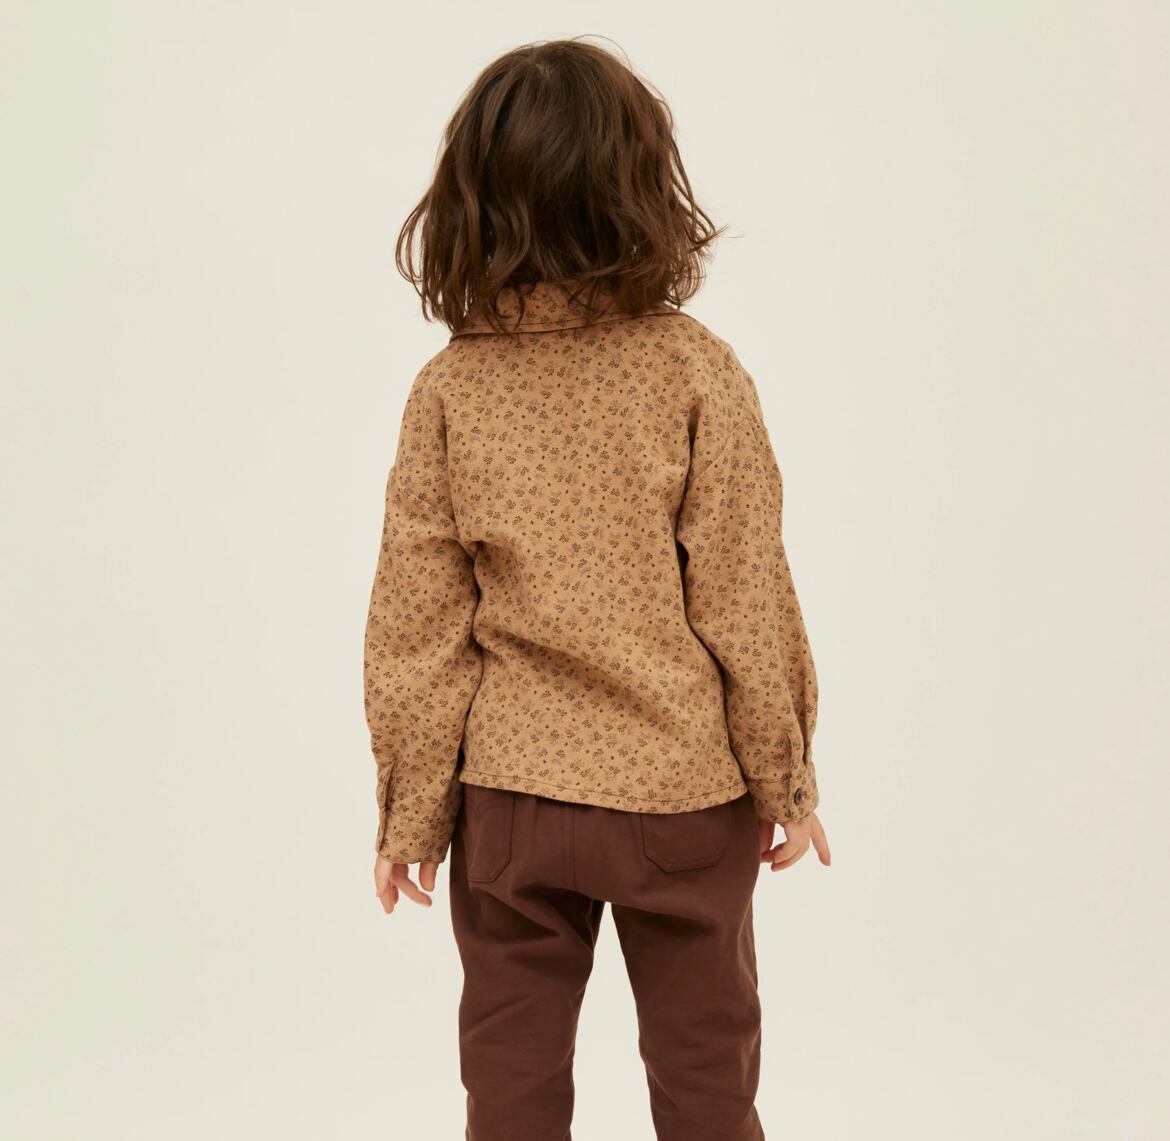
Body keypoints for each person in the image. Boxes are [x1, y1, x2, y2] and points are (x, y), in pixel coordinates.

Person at [362, 36, 830, 1141]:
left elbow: (417, 625)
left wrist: (412, 809)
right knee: (707, 1072)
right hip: (681, 793)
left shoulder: (450, 389)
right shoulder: (692, 369)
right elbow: (743, 593)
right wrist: (786, 774)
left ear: (471, 201)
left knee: (509, 1080)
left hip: (512, 804)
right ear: (641, 191)